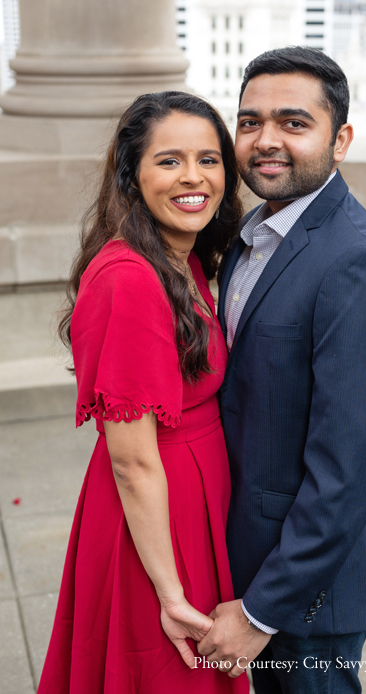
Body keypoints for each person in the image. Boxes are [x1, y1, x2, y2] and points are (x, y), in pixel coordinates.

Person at [197, 46, 366, 694]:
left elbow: (346, 468)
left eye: (293, 123)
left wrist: (263, 608)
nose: (266, 141)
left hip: (309, 587)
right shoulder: (253, 235)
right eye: (249, 121)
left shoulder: (356, 263)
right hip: (253, 551)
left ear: (339, 139)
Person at [37, 92, 249, 694]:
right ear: (132, 175)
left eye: (209, 160)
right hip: (158, 518)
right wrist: (169, 590)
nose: (194, 177)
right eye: (170, 160)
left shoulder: (181, 258)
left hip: (190, 497)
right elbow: (131, 459)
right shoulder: (129, 278)